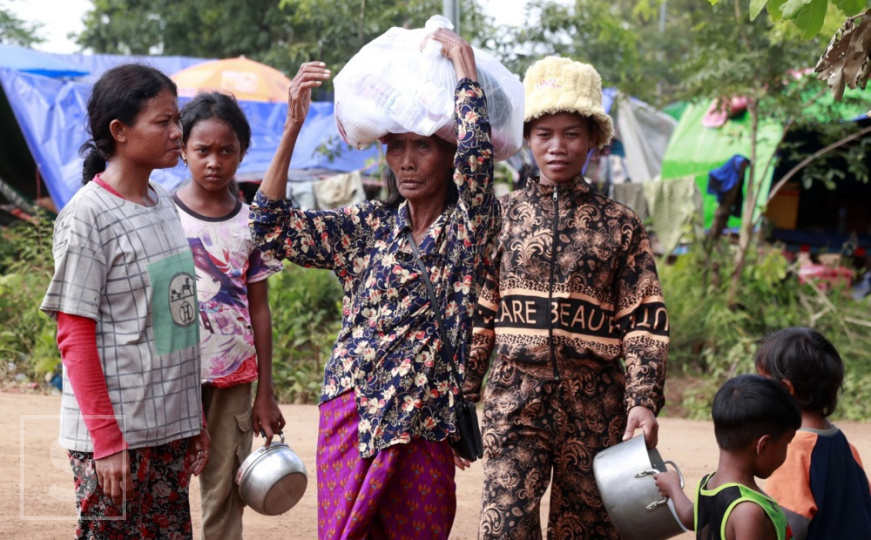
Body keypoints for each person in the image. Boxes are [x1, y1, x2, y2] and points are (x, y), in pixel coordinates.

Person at [248, 29, 498, 539]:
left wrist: (465, 71)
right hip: (352, 411)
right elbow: (268, 228)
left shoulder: (468, 227)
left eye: (422, 147)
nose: (406, 160)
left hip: (426, 423)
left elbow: (477, 167)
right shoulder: (367, 227)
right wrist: (293, 126)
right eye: (396, 147)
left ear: (448, 152)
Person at [463, 56, 668, 539]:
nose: (557, 147)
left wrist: (643, 399)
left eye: (572, 133)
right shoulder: (502, 217)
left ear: (594, 138)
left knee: (587, 533)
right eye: (544, 133)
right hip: (514, 401)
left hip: (598, 406)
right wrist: (463, 393)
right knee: (504, 529)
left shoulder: (620, 225)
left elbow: (644, 319)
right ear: (528, 139)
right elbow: (481, 312)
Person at [40, 64, 210, 539]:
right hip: (117, 437)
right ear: (119, 131)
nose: (178, 132)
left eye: (178, 119)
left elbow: (176, 321)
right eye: (163, 122)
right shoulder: (87, 217)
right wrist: (107, 441)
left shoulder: (161, 203)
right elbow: (74, 336)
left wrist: (191, 418)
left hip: (168, 431)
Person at [174, 92, 285, 540]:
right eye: (202, 150)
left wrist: (266, 391)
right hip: (173, 376)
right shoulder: (161, 214)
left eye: (227, 150)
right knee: (166, 485)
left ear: (242, 153)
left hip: (234, 381)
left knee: (224, 490)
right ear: (182, 150)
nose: (214, 162)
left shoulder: (251, 224)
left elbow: (259, 308)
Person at [755, 327, 871, 539]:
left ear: (786, 390)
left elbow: (786, 526)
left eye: (762, 382)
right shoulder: (845, 445)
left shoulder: (792, 451)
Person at [654, 374, 801, 540]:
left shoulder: (708, 485)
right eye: (787, 443)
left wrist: (673, 488)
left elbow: (690, 518)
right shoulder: (748, 511)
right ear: (763, 446)